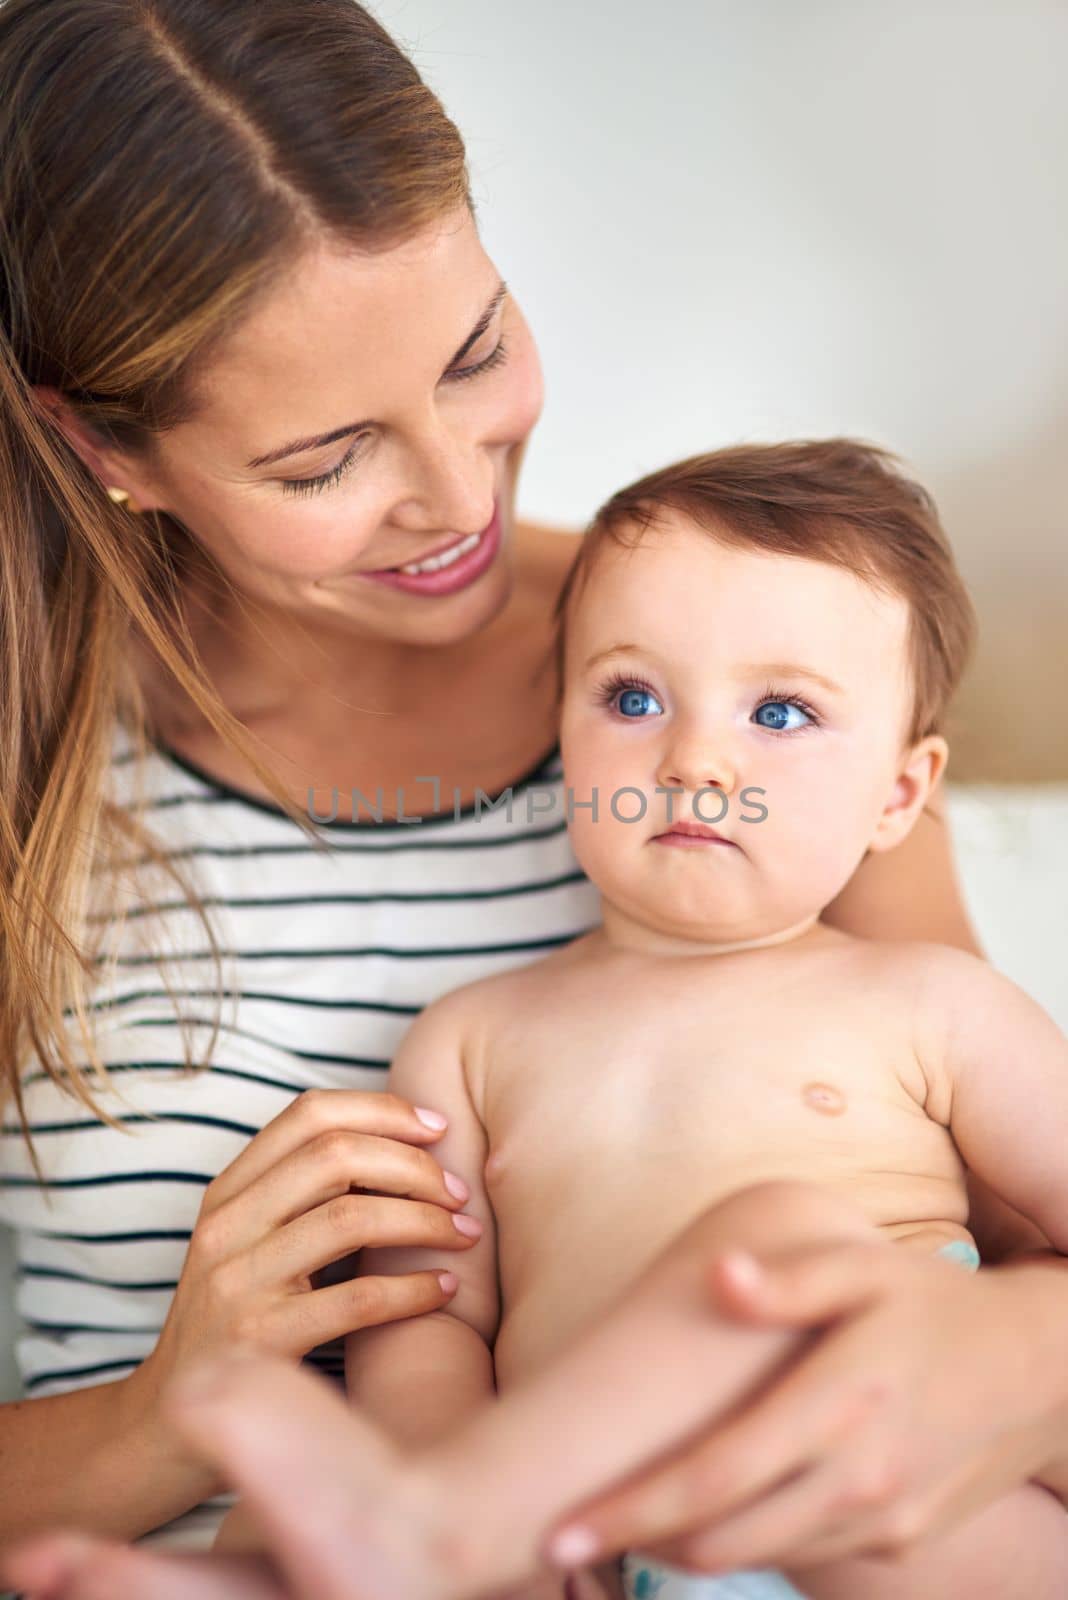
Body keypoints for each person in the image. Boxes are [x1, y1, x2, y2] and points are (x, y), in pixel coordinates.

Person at [2, 2, 1068, 1598]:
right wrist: (180, 1415)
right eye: (323, 460)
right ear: (108, 450)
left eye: (477, 351)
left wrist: (998, 1357)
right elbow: (440, 1339)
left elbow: (1019, 1240)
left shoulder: (760, 633)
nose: (456, 495)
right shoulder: (46, 772)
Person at [204, 440, 1068, 1600]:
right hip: (604, 1550)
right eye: (633, 696)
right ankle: (431, 1539)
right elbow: (428, 1325)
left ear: (900, 795)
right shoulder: (471, 1038)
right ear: (563, 738)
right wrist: (457, 1485)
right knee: (262, 1519)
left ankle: (443, 1531)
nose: (694, 759)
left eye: (780, 710)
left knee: (773, 1247)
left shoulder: (932, 1000)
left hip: (900, 1508)